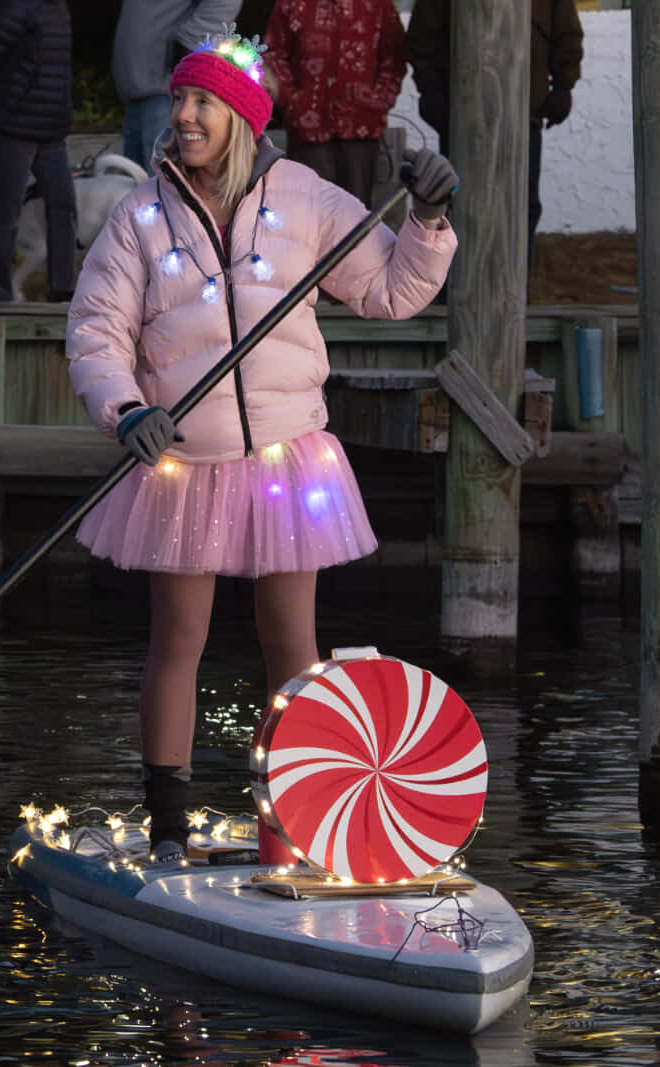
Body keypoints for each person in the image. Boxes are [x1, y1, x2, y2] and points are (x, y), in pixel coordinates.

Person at [66, 29, 459, 863]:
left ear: (242, 118)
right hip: (183, 463)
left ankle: (294, 825)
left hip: (286, 460)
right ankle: (169, 831)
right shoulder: (141, 216)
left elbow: (392, 292)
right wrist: (126, 411)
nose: (183, 114)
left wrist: (427, 218)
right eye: (179, 98)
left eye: (203, 101)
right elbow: (96, 332)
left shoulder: (305, 198)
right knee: (179, 639)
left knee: (292, 642)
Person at [406, 0, 582, 270]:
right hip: (461, 115)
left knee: (521, 205)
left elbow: (566, 32)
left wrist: (563, 86)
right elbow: (422, 38)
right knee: (458, 204)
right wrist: (431, 90)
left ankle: (515, 281)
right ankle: (451, 281)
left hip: (523, 113)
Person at [0, 0, 77, 303]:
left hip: (50, 124)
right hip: (13, 123)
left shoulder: (57, 7)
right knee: (8, 209)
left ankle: (63, 287)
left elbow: (61, 68)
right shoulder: (15, 6)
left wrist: (64, 111)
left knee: (63, 204)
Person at [263, 0, 407, 209]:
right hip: (307, 131)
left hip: (361, 128)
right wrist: (293, 102)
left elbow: (393, 58)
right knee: (306, 209)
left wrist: (378, 101)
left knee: (357, 214)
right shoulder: (292, 3)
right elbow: (274, 54)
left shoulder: (379, 5)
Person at [112, 0, 244, 173]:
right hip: (140, 94)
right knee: (138, 186)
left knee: (166, 185)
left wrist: (189, 46)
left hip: (169, 97)